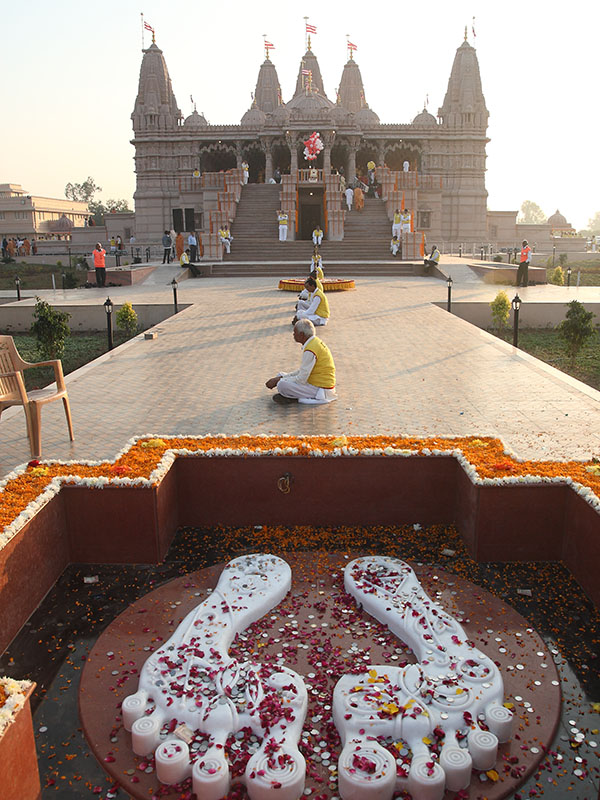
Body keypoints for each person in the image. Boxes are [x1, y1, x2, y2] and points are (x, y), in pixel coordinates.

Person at [265, 319, 337, 405]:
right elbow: (302, 371)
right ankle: (291, 394)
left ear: (302, 335)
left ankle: (295, 398)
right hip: (316, 383)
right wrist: (282, 377)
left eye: (295, 333)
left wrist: (279, 380)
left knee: (281, 385)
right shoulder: (314, 342)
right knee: (280, 375)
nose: (293, 335)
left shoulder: (310, 350)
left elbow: (301, 379)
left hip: (321, 389)